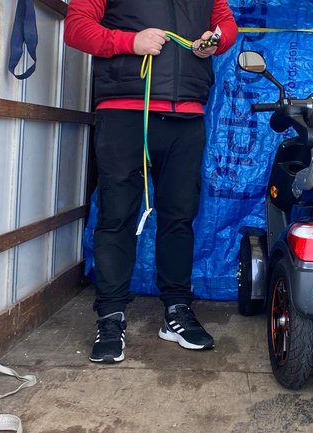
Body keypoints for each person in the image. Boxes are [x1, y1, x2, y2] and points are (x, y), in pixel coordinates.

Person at [64, 0, 238, 363]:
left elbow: (226, 26)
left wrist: (214, 42)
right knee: (116, 214)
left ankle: (176, 311)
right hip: (124, 112)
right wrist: (131, 42)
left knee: (180, 216)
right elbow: (76, 28)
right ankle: (110, 316)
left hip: (185, 116)